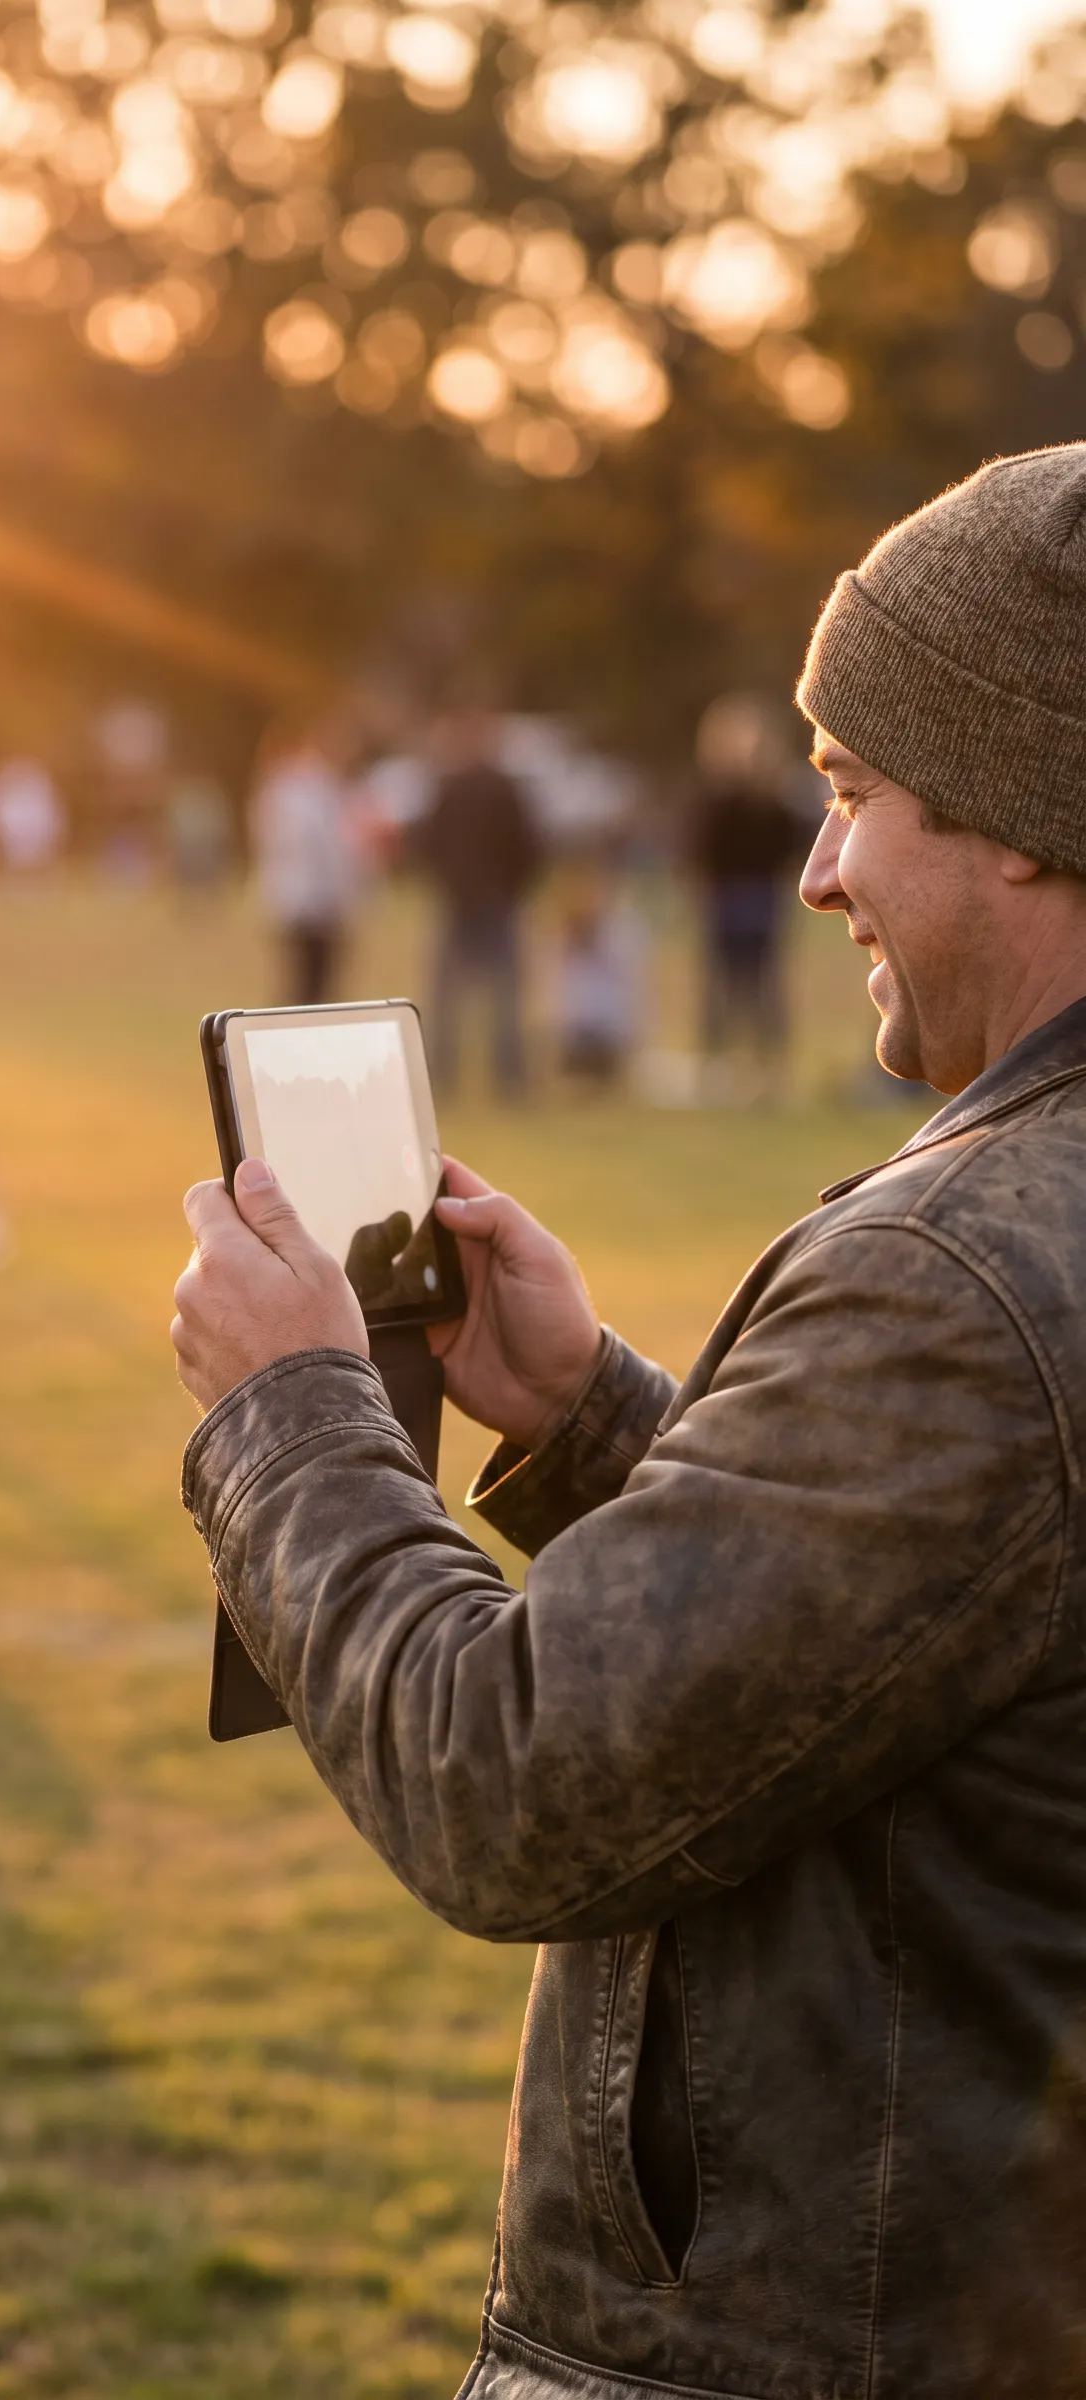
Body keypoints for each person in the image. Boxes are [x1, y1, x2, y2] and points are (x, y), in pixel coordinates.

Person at [170, 445, 1086, 2396]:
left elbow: (508, 1784)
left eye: (852, 791)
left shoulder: (968, 1269)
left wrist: (290, 1412)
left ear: (1023, 810)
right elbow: (963, 1619)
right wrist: (593, 1422)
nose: (815, 868)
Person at [410, 703, 544, 1097]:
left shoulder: (451, 787)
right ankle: (508, 1077)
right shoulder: (502, 789)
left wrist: (447, 883)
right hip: (492, 902)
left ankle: (444, 1074)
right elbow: (531, 847)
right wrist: (512, 888)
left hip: (464, 901)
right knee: (501, 995)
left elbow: (425, 842)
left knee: (452, 997)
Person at [686, 693, 808, 1089]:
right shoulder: (728, 802)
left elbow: (789, 847)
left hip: (755, 901)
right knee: (732, 987)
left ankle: (761, 1066)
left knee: (755, 987)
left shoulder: (767, 803)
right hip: (737, 902)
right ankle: (728, 1064)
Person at [249, 716, 364, 1006]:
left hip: (300, 901)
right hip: (309, 904)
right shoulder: (304, 793)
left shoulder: (281, 791)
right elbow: (328, 847)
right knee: (307, 989)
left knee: (312, 988)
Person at [552, 853, 647, 1088]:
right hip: (581, 1032)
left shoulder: (622, 927)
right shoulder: (570, 933)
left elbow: (633, 986)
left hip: (611, 1032)